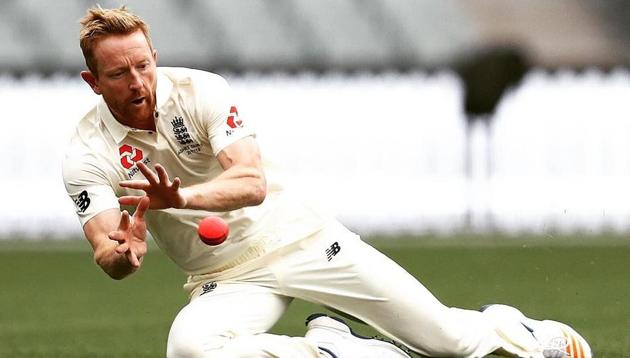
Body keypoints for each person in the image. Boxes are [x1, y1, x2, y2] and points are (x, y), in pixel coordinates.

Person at [63, 5, 591, 358]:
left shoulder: (201, 90)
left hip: (301, 240)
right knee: (190, 349)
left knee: (448, 343)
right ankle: (337, 350)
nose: (137, 82)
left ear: (154, 57)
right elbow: (107, 249)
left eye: (143, 66)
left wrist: (181, 198)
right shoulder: (86, 151)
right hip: (225, 277)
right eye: (118, 74)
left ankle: (516, 330)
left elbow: (251, 182)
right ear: (93, 81)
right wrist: (122, 255)